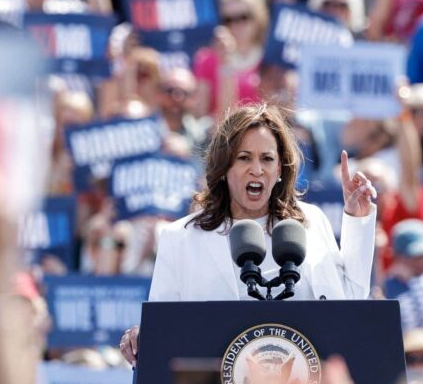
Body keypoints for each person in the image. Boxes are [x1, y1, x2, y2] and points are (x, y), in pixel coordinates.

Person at [120, 104, 377, 365]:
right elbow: (166, 327)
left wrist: (357, 219)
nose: (257, 169)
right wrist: (145, 336)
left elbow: (350, 301)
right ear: (224, 168)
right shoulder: (180, 238)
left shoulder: (311, 222)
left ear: (280, 170)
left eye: (267, 159)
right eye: (244, 158)